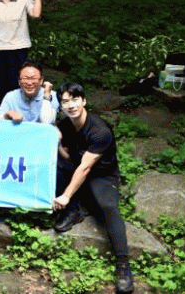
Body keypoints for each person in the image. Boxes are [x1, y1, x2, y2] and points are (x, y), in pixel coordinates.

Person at [54, 83, 133, 294]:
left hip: (101, 173)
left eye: (75, 99)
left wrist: (65, 195)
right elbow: (68, 157)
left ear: (84, 101)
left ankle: (123, 264)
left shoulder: (99, 131)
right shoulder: (65, 125)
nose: (71, 105)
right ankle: (73, 211)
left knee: (106, 206)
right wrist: (59, 144)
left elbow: (85, 167)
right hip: (77, 166)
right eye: (65, 101)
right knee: (55, 165)